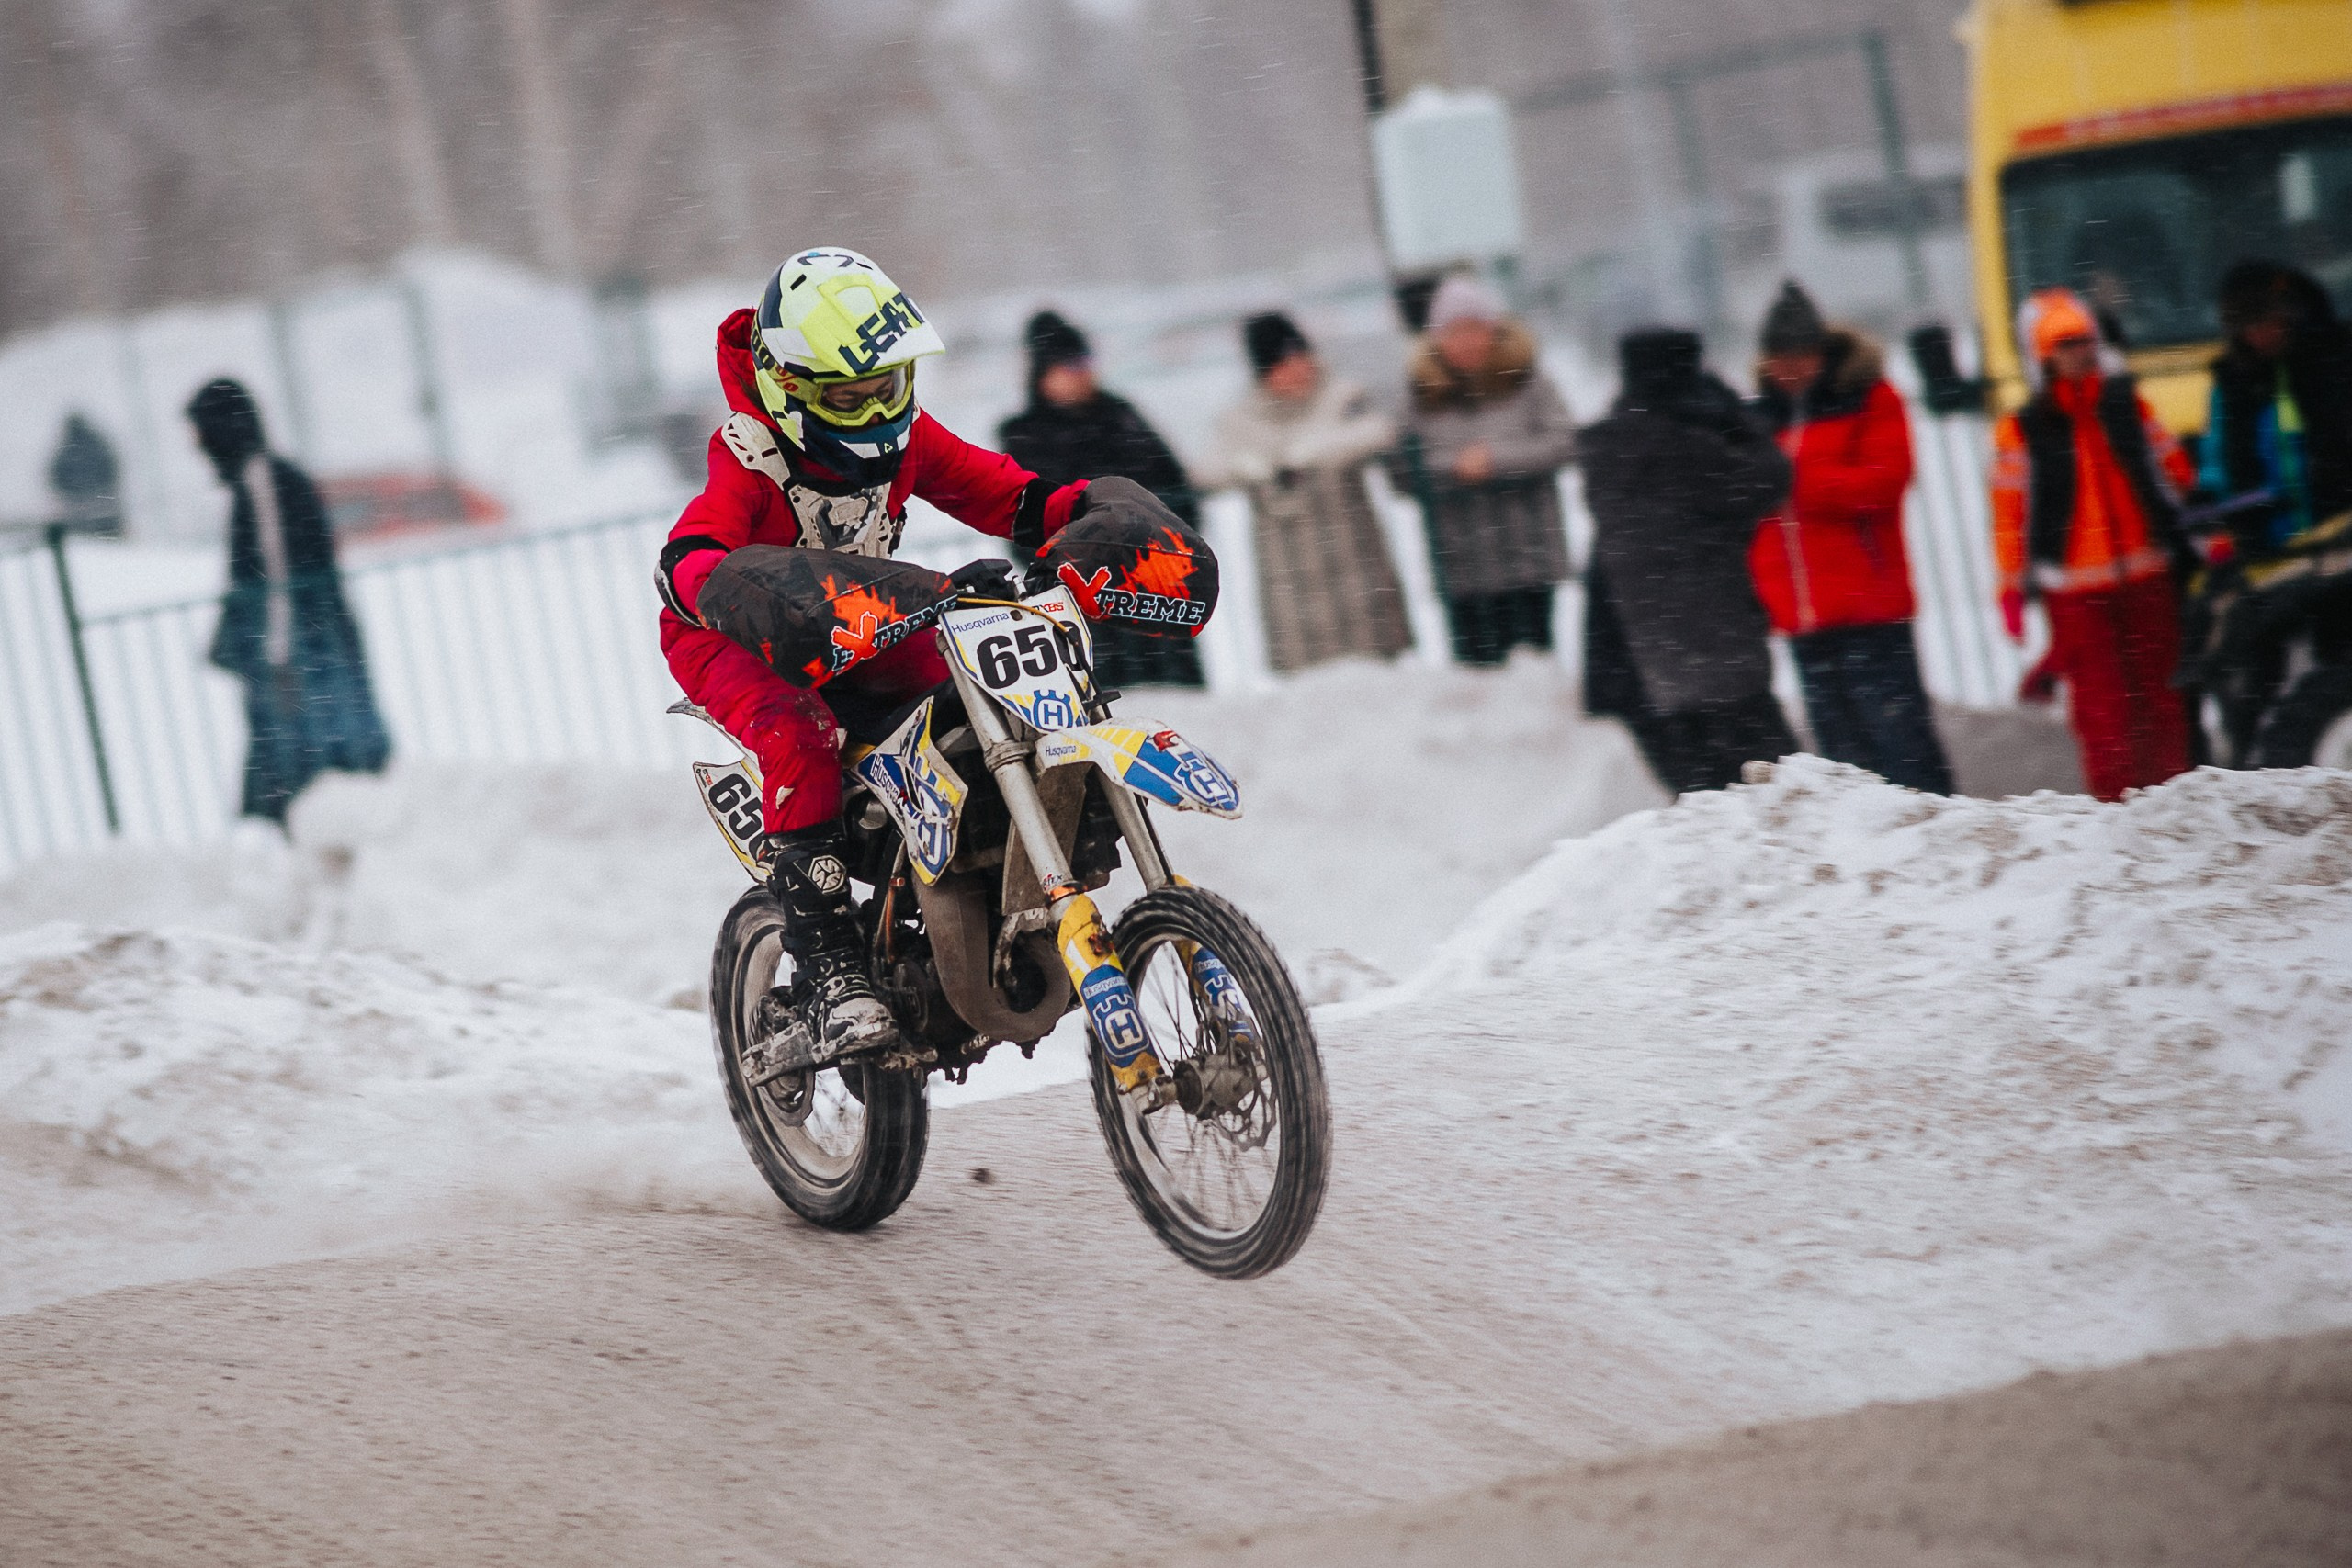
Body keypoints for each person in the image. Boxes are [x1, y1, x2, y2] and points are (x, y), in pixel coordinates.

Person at [655, 249, 1102, 1057]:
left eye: (887, 388)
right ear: (789, 385)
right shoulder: (750, 454)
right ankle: (828, 966)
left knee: (979, 674)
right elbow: (690, 548)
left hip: (862, 616)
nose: (872, 413)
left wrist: (1090, 513)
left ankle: (983, 855)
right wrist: (711, 580)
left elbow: (1005, 491)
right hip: (730, 632)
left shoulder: (907, 438)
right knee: (803, 732)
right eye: (849, 396)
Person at [1989, 288, 2195, 801]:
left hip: (2148, 577)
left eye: (2084, 341)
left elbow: (2175, 475)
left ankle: (2177, 802)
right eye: (2065, 344)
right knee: (2103, 712)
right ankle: (2118, 811)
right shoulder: (2024, 429)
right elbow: (2009, 517)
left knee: (2164, 698)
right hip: (2076, 595)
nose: (2079, 352)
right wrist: (2011, 588)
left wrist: (2209, 532)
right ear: (2044, 357)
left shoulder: (2125, 406)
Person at [1747, 281, 1953, 794]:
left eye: (1796, 358)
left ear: (1820, 353)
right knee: (1840, 751)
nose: (1786, 372)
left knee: (1901, 741)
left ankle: (1933, 830)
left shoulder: (1872, 399)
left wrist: (1794, 479)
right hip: (1802, 613)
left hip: (1869, 605)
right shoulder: (1760, 416)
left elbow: (1883, 482)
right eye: (1777, 360)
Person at [1579, 327, 1797, 794]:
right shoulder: (1690, 444)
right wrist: (1736, 415)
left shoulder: (1611, 444)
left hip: (1642, 665)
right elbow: (1772, 477)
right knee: (1786, 793)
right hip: (1717, 651)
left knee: (1704, 803)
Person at [188, 379, 390, 824]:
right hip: (308, 655)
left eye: (201, 433)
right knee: (316, 770)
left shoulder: (265, 483)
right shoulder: (261, 481)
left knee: (311, 772)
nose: (198, 448)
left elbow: (277, 577)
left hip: (303, 658)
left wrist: (277, 658)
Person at [2192, 261, 2352, 758]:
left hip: (2338, 541)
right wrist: (2219, 507)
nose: (2261, 335)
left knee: (2339, 656)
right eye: (2249, 326)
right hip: (2275, 552)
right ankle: (2247, 762)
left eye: (2268, 321)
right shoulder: (2235, 383)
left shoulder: (2334, 360)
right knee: (2254, 668)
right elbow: (2220, 461)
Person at [997, 310, 1204, 689]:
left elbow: (1176, 488)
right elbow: (1018, 521)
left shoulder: (1121, 416)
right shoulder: (1024, 435)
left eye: (1083, 362)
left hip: (1155, 587)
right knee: (1110, 707)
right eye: (1068, 365)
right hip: (1084, 599)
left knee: (1181, 703)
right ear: (1043, 373)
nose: (1080, 373)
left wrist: (1164, 545)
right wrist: (1077, 562)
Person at [1194, 311, 1411, 671]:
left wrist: (1318, 452)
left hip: (1355, 559)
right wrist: (1253, 465)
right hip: (1289, 574)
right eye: (1282, 363)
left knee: (1377, 662)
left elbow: (1381, 430)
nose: (1297, 370)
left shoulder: (1343, 398)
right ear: (1264, 373)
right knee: (1312, 681)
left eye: (1301, 358)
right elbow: (1206, 471)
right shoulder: (1241, 420)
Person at [1396, 275, 1577, 665]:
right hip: (1463, 564)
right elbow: (1404, 468)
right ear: (1437, 338)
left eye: (1475, 329)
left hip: (1529, 556)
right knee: (1478, 675)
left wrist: (1496, 461)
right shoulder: (1420, 395)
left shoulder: (1529, 381)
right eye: (1455, 331)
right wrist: (1455, 468)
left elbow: (1563, 441)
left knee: (1536, 663)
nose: (1467, 341)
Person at [48, 412, 123, 538]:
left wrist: (70, 491)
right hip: (102, 496)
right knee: (107, 530)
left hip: (77, 500)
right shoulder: (97, 444)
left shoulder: (67, 449)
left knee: (84, 534)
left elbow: (56, 473)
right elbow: (110, 465)